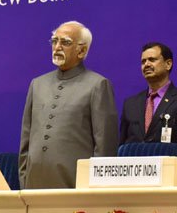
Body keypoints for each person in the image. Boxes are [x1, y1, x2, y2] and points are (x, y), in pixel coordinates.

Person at [19, 21, 118, 189]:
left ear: (82, 50)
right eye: (54, 41)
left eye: (65, 42)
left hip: (76, 186)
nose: (57, 47)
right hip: (34, 184)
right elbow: (26, 139)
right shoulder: (37, 84)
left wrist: (96, 188)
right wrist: (24, 178)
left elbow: (104, 147)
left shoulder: (98, 85)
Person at [120, 42, 177, 144]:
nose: (146, 64)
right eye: (143, 61)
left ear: (168, 64)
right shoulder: (130, 104)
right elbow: (122, 145)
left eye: (152, 60)